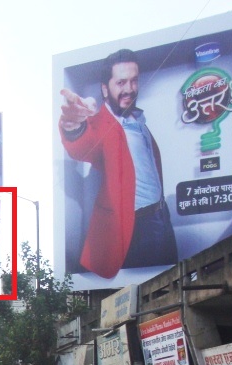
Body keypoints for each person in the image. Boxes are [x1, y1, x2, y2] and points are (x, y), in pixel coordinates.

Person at [59, 48, 178, 279]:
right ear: (105, 88)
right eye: (121, 82)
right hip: (134, 229)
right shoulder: (100, 123)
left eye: (134, 81)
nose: (129, 89)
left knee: (172, 287)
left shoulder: (137, 120)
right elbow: (82, 146)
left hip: (161, 219)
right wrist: (73, 127)